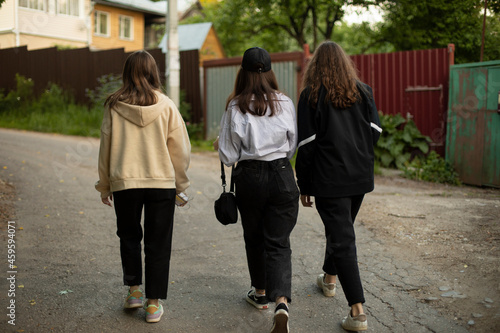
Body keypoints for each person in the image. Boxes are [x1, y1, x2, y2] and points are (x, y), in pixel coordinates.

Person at [95, 50, 191, 323]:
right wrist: (180, 184)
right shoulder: (167, 105)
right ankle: (152, 304)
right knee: (158, 243)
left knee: (128, 236)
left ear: (126, 73)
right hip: (161, 183)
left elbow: (106, 148)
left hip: (125, 183)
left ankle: (134, 290)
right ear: (153, 73)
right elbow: (180, 150)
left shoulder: (114, 105)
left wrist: (105, 185)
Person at [295, 41, 382, 332]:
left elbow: (306, 146)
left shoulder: (311, 95)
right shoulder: (363, 91)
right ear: (345, 64)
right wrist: (358, 153)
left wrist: (304, 184)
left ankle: (357, 313)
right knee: (341, 231)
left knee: (342, 237)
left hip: (329, 181)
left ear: (315, 66)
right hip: (359, 179)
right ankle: (329, 279)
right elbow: (376, 132)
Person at [214, 47, 299, 333]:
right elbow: (291, 145)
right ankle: (282, 302)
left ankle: (261, 291)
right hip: (282, 175)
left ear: (243, 73)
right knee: (279, 241)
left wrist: (222, 144)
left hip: (249, 177)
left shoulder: (235, 105)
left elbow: (227, 155)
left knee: (254, 236)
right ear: (270, 72)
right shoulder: (285, 102)